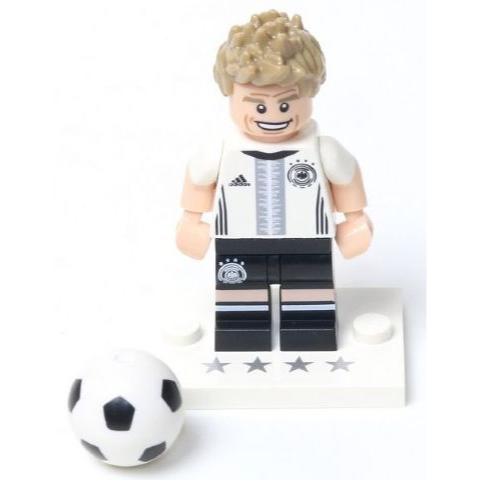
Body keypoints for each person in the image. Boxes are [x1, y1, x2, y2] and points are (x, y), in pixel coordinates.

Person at [176, 10, 373, 352]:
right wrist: (191, 221)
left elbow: (345, 177)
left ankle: (310, 332)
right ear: (231, 95)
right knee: (240, 309)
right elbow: (198, 181)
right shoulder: (220, 151)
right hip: (238, 243)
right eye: (258, 106)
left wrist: (355, 220)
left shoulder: (322, 150)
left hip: (308, 242)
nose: (272, 116)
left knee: (310, 307)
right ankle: (242, 334)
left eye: (285, 104)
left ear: (310, 94)